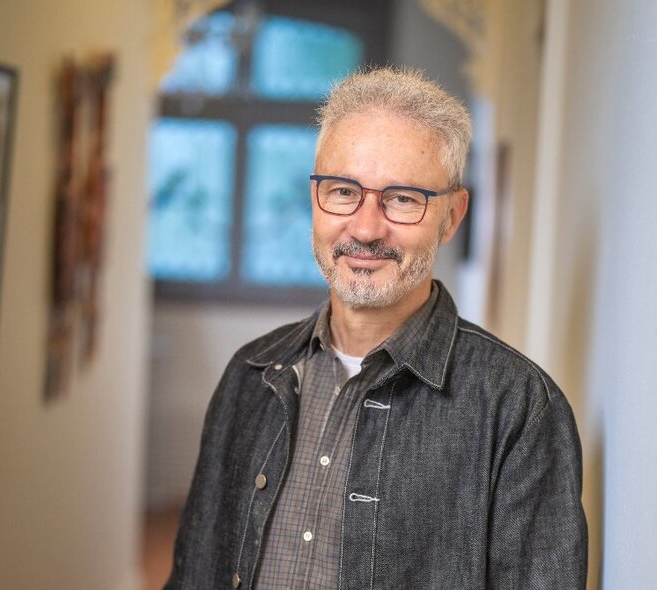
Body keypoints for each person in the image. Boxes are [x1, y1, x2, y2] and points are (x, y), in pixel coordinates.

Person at [165, 67, 587, 590]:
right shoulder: (249, 375)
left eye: (403, 198)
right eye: (343, 191)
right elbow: (194, 573)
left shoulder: (518, 409)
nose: (365, 228)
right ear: (314, 198)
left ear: (452, 216)